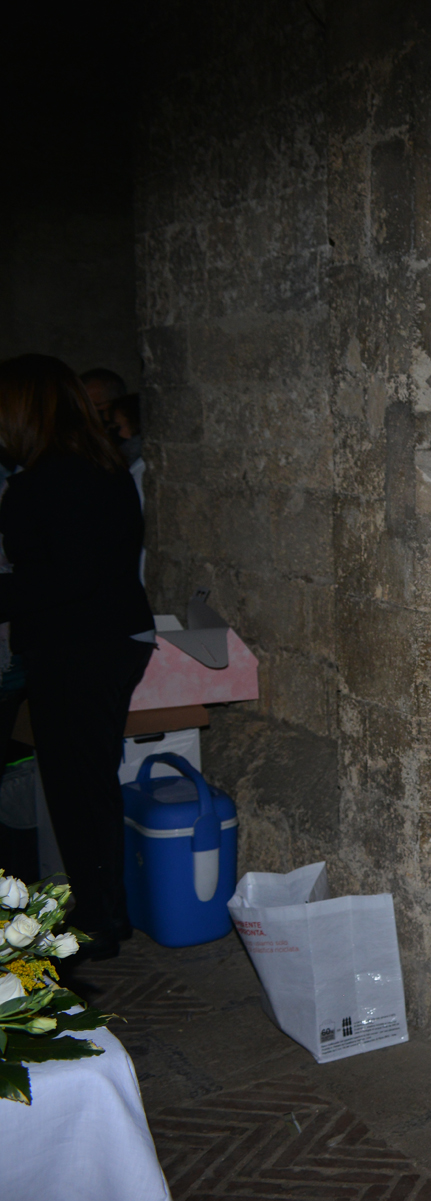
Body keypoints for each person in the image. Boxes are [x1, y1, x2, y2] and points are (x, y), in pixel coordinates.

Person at [0, 355, 155, 959]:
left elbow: (68, 575)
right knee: (87, 786)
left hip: (79, 644)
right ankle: (104, 913)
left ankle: (96, 922)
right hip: (106, 638)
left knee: (77, 790)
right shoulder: (96, 463)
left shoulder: (53, 476)